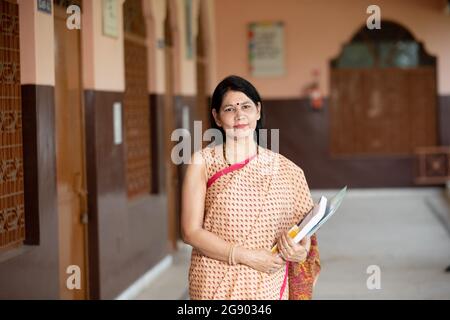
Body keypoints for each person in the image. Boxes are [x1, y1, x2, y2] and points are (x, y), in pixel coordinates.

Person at [181, 75, 320, 300]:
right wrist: (248, 256)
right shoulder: (202, 163)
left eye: (246, 106)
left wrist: (300, 251)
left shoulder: (288, 171)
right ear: (217, 117)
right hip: (214, 286)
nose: (239, 115)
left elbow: (305, 233)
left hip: (270, 286)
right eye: (229, 109)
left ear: (257, 110)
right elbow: (190, 232)